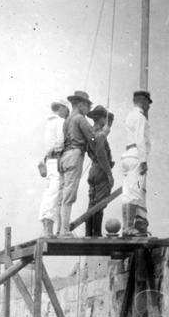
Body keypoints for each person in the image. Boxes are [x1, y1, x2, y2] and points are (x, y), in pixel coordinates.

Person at [58, 90, 96, 237]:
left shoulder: (67, 120)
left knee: (62, 195)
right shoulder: (80, 118)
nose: (88, 109)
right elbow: (92, 138)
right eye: (87, 105)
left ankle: (60, 228)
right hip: (74, 155)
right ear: (80, 104)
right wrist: (103, 133)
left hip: (64, 157)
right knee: (69, 195)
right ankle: (64, 230)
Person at [121, 90, 152, 236]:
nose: (149, 106)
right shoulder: (140, 117)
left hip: (127, 155)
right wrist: (144, 160)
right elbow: (140, 139)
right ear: (144, 101)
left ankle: (125, 227)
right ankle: (129, 227)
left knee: (127, 192)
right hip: (136, 156)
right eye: (148, 103)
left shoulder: (129, 116)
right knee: (135, 191)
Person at [38, 98, 70, 237]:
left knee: (50, 192)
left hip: (49, 161)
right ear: (63, 108)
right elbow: (60, 141)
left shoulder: (49, 123)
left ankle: (47, 226)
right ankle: (48, 228)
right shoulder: (60, 122)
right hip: (56, 159)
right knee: (55, 193)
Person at [85, 106, 114, 237]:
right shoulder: (101, 135)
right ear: (101, 118)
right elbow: (101, 154)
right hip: (101, 170)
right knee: (100, 203)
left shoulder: (91, 134)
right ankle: (96, 233)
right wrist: (109, 173)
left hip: (93, 170)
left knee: (92, 203)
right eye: (106, 119)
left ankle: (88, 232)